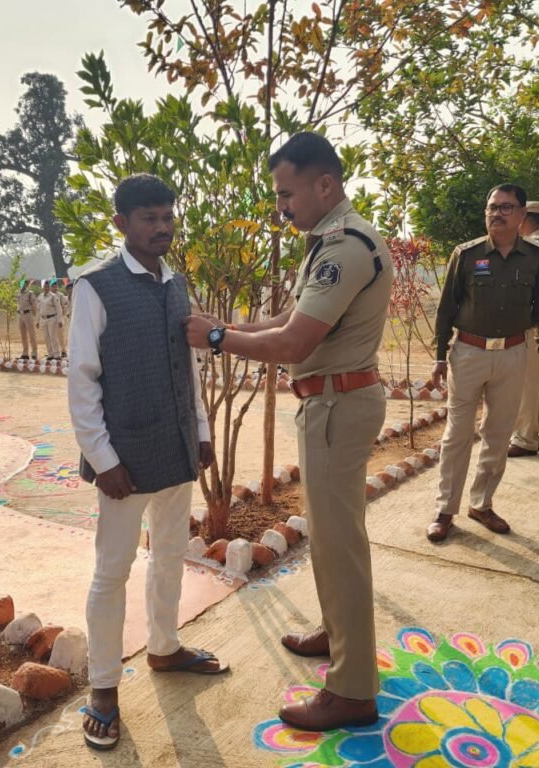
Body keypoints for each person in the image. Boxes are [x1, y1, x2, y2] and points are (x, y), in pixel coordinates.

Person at [186, 131, 392, 732]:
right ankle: (339, 635)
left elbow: (295, 342)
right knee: (331, 539)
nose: (282, 207)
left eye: (287, 193)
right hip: (331, 402)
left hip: (337, 404)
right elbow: (289, 319)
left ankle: (353, 692)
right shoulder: (327, 242)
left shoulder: (344, 247)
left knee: (338, 544)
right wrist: (227, 324)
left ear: (323, 183)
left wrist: (218, 339)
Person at [69, 173, 226, 751]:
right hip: (124, 459)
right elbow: (82, 381)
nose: (161, 227)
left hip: (176, 448)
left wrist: (202, 430)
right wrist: (102, 457)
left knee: (170, 556)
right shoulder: (96, 287)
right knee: (112, 570)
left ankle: (164, 646)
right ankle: (104, 685)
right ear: (122, 224)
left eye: (167, 217)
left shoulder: (176, 284)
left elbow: (188, 367)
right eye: (148, 218)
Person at [426, 184, 539, 544]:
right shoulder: (465, 255)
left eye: (506, 208)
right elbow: (446, 309)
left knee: (498, 434)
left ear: (521, 215)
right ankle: (444, 510)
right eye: (492, 207)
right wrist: (439, 354)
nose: (497, 213)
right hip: (468, 353)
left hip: (515, 354)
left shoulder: (536, 257)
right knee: (456, 435)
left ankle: (481, 504)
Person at [509, 201, 539, 457]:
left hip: (529, 326)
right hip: (527, 326)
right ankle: (521, 435)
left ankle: (526, 439)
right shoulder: (538, 243)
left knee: (528, 385)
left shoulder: (537, 247)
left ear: (524, 218)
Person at [37, 279, 62, 360]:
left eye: (48, 286)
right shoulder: (40, 297)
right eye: (45, 286)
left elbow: (59, 309)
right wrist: (37, 321)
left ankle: (57, 354)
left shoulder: (53, 296)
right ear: (42, 287)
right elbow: (38, 309)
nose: (46, 287)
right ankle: (50, 354)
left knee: (52, 337)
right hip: (43, 319)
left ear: (49, 287)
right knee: (46, 337)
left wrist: (60, 320)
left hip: (52, 318)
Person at [16, 278, 39, 360]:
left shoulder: (30, 294)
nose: (22, 284)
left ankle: (34, 352)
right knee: (23, 335)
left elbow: (35, 306)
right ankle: (25, 352)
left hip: (28, 314)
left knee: (31, 334)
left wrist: (34, 316)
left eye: (24, 283)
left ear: (27, 284)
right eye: (21, 283)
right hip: (20, 314)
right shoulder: (18, 293)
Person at [51, 279, 69, 359]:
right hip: (51, 318)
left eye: (56, 286)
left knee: (60, 335)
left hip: (58, 317)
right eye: (53, 287)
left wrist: (61, 316)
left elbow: (64, 306)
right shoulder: (48, 295)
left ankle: (63, 351)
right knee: (52, 336)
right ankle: (54, 351)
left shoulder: (60, 295)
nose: (55, 288)